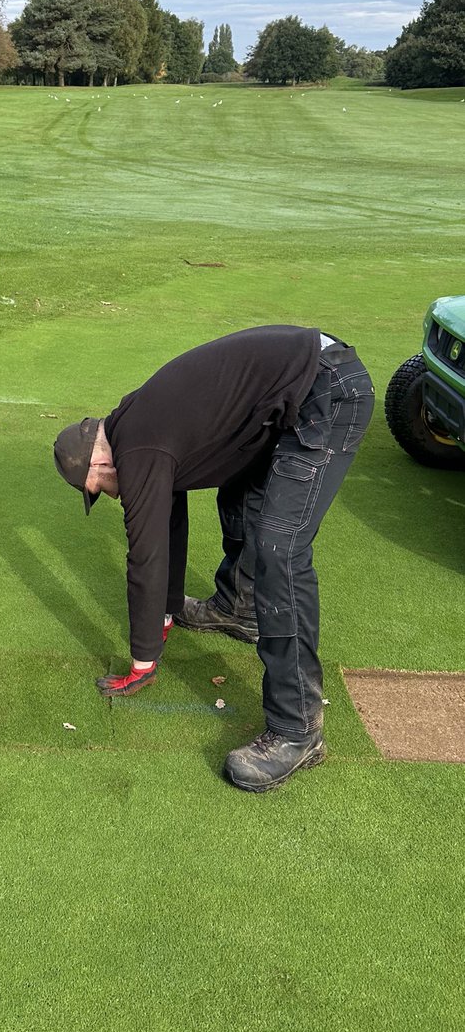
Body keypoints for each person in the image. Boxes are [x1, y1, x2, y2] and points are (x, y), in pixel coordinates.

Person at [54, 325, 374, 793]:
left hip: (327, 392)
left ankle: (297, 728)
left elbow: (146, 552)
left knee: (279, 545)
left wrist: (143, 657)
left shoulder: (138, 446)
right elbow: (168, 517)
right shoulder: (133, 424)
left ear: (97, 467)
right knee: (238, 496)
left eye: (99, 491)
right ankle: (239, 609)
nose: (111, 494)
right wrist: (165, 612)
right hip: (308, 378)